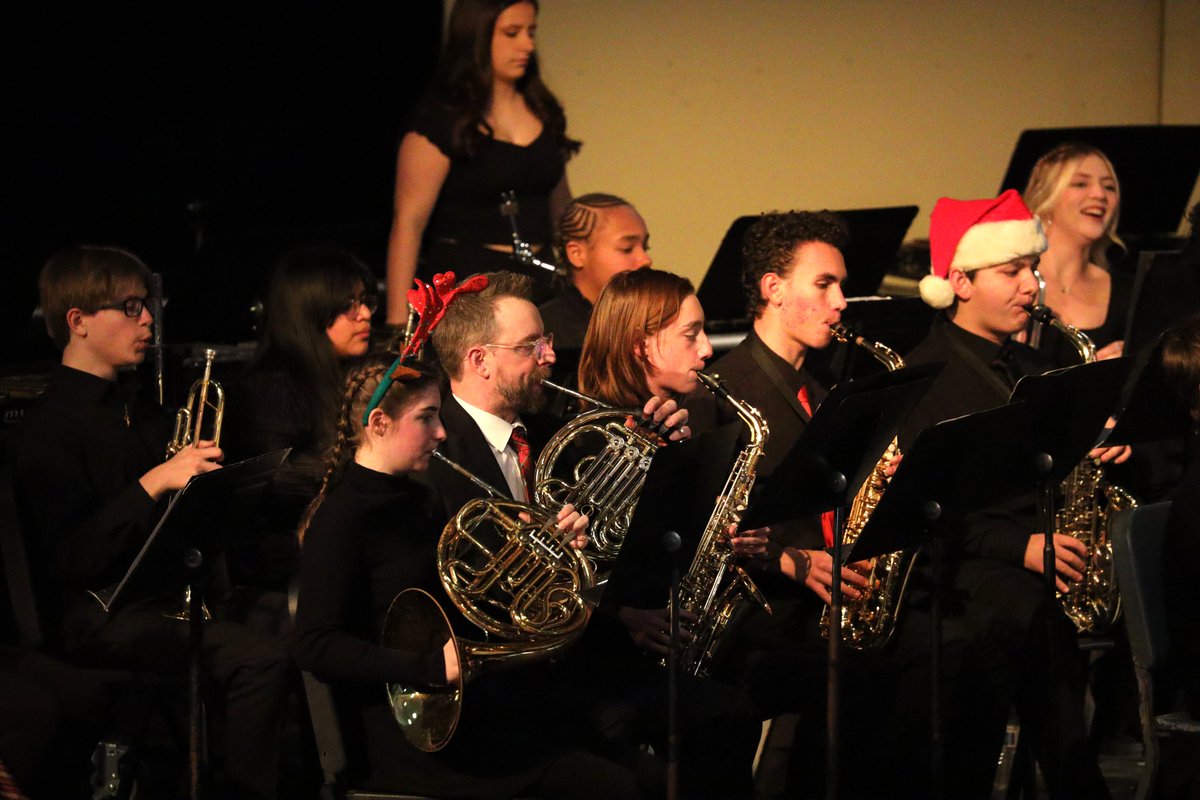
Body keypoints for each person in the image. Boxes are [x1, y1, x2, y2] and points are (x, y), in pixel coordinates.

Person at [8, 245, 289, 800]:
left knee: (294, 618)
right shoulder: (49, 430)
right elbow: (73, 559)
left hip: (170, 594)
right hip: (104, 616)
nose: (148, 321)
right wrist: (154, 482)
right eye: (131, 307)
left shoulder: (141, 410)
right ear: (79, 321)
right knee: (260, 660)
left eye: (149, 306)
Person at [290, 355, 641, 800]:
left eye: (438, 414)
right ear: (379, 423)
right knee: (611, 782)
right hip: (412, 730)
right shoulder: (341, 519)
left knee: (615, 734)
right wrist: (430, 667)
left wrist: (549, 549)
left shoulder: (415, 498)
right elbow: (314, 644)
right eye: (426, 418)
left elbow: (471, 591)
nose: (440, 433)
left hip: (472, 706)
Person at [903, 189, 1121, 798]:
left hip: (1037, 555)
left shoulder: (1030, 365)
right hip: (965, 566)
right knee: (1029, 623)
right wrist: (1019, 546)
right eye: (1011, 270)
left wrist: (1095, 445)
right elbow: (930, 508)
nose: (1031, 284)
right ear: (959, 282)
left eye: (1031, 268)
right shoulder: (926, 380)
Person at [571, 267, 761, 800]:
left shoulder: (682, 422)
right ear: (641, 346)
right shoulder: (593, 440)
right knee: (731, 713)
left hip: (668, 636)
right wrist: (621, 617)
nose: (706, 349)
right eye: (691, 333)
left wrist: (727, 542)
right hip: (605, 655)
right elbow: (577, 571)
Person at [385, 0, 578, 323]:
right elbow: (409, 223)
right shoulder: (444, 120)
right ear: (476, 36)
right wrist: (397, 325)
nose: (527, 45)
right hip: (466, 296)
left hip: (539, 291)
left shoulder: (543, 111)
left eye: (531, 32)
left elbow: (564, 213)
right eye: (511, 33)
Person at [223, 246, 376, 597]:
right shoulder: (272, 384)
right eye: (348, 305)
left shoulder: (346, 372)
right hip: (284, 567)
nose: (365, 314)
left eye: (365, 301)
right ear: (309, 310)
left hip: (335, 546)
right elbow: (273, 485)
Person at [1022, 142, 1131, 362]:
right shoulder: (1017, 284)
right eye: (1081, 183)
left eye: (1109, 187)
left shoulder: (1127, 293)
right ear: (1045, 196)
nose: (1099, 194)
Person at [540, 193, 653, 352]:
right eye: (627, 249)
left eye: (645, 247)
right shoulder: (546, 330)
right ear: (576, 254)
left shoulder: (651, 317)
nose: (646, 259)